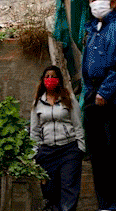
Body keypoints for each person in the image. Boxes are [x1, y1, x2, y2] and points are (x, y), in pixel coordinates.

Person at [82, 0, 116, 211]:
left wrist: (105, 91)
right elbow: (86, 69)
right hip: (93, 96)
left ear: (112, 2)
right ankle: (104, 204)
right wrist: (88, 96)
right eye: (92, 0)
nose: (96, 4)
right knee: (98, 154)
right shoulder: (91, 29)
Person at [30, 65, 84, 211]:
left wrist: (80, 148)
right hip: (47, 152)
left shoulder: (68, 99)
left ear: (59, 80)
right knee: (49, 190)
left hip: (69, 150)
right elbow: (34, 130)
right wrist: (34, 152)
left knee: (69, 188)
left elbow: (78, 124)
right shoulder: (37, 103)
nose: (50, 79)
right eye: (47, 77)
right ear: (42, 80)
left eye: (53, 76)